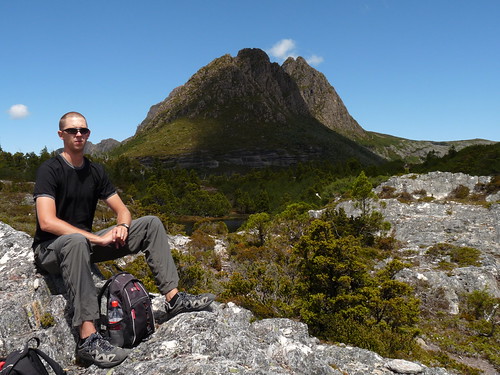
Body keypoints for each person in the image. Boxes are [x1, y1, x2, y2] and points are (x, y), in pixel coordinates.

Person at [32, 112, 215, 368]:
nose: (79, 135)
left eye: (83, 130)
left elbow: (123, 210)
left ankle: (174, 299)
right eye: (72, 131)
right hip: (51, 249)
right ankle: (88, 340)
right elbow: (47, 221)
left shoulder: (95, 171)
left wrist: (122, 227)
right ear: (61, 134)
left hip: (84, 245)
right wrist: (97, 237)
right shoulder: (50, 170)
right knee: (75, 241)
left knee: (150, 223)